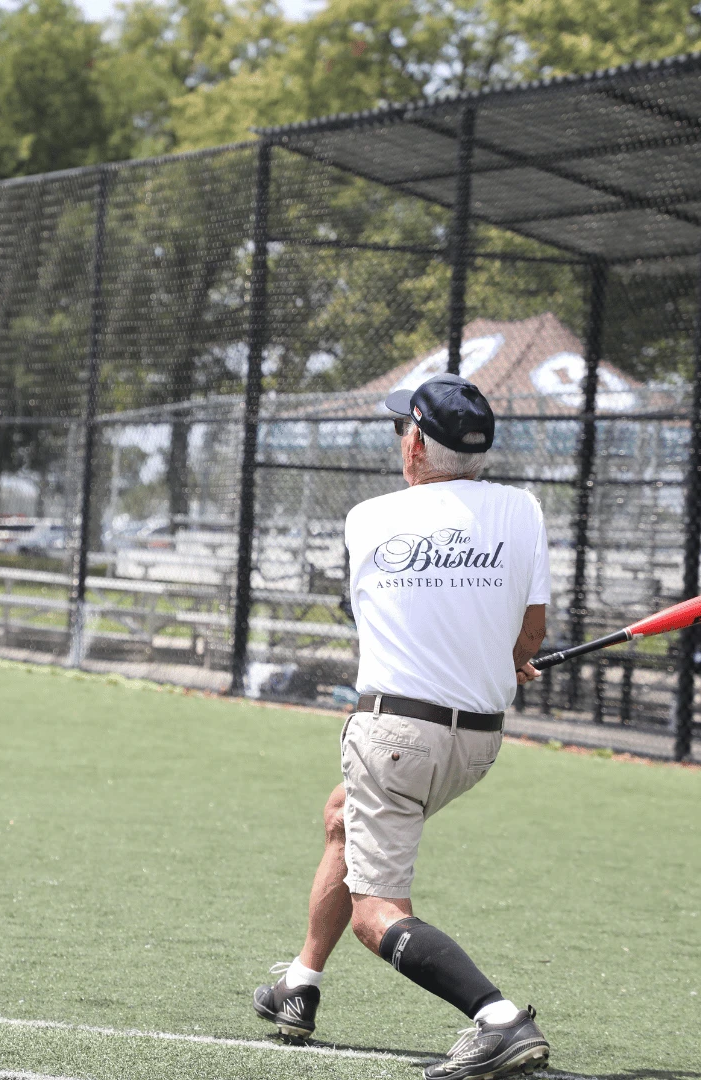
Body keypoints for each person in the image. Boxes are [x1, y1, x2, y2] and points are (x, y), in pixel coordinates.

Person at [252, 373, 553, 1080]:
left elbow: (397, 619)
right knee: (340, 817)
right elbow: (528, 637)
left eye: (402, 432)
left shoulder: (370, 519)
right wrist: (510, 657)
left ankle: (498, 1018)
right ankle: (300, 982)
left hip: (395, 739)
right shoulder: (525, 509)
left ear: (416, 444)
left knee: (375, 912)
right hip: (476, 743)